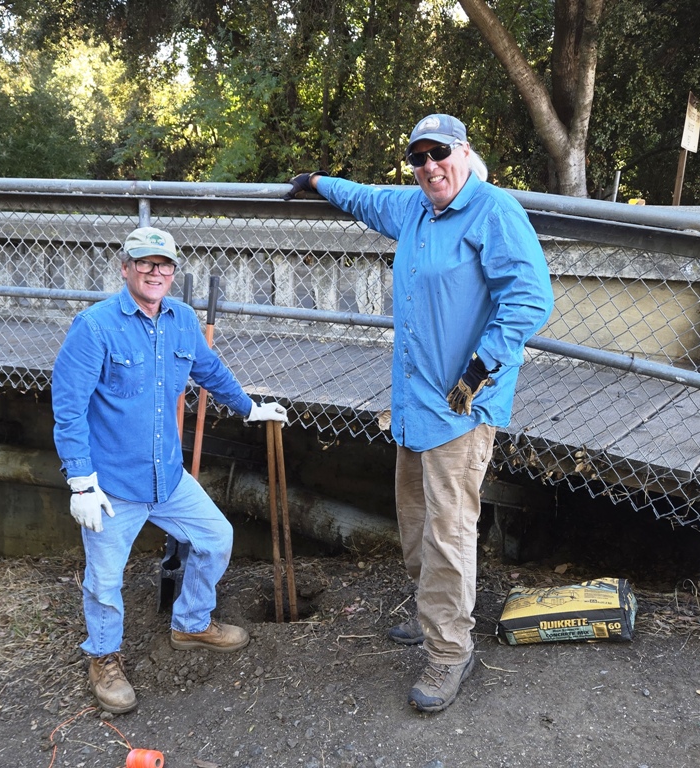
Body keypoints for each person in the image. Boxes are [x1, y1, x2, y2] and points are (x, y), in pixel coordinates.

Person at [285, 114, 554, 713]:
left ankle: (448, 650)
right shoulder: (413, 207)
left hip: (461, 405)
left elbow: (532, 296)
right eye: (418, 156)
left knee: (448, 531)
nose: (430, 166)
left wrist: (480, 368)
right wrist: (318, 182)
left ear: (464, 151)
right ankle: (434, 611)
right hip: (413, 403)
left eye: (440, 153)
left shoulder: (493, 211)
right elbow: (365, 198)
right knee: (414, 522)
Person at [52, 226, 287, 714]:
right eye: (144, 263)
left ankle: (191, 623)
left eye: (164, 265)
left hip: (169, 478)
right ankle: (104, 657)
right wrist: (81, 482)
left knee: (216, 538)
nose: (155, 272)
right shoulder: (94, 327)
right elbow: (68, 408)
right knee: (104, 579)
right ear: (125, 268)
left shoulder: (181, 320)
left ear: (173, 273)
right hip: (113, 486)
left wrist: (249, 407)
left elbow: (210, 371)